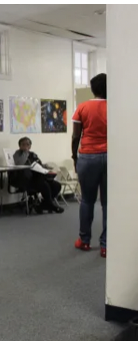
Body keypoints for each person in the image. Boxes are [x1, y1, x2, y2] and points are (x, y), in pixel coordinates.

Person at [72, 73, 107, 258]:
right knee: (108, 203)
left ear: (93, 89)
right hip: (110, 157)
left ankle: (84, 241)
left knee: (87, 200)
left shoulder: (83, 107)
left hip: (88, 156)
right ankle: (106, 245)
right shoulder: (114, 107)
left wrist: (74, 157)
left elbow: (76, 136)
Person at [12, 137, 64, 214]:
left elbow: (39, 164)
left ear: (30, 146)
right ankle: (50, 205)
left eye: (27, 144)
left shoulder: (33, 154)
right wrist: (25, 153)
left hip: (39, 177)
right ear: (19, 146)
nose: (26, 146)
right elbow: (19, 163)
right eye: (23, 145)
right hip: (28, 179)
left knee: (57, 185)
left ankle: (44, 204)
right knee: (44, 185)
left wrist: (45, 167)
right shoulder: (17, 154)